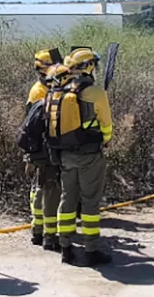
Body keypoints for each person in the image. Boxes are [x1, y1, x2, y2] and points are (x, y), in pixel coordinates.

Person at [47, 48, 114, 267]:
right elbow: (106, 124)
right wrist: (106, 139)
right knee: (90, 202)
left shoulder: (61, 87)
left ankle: (66, 248)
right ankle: (91, 250)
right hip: (89, 155)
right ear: (89, 66)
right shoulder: (94, 92)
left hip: (65, 155)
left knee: (67, 199)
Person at [25, 47, 65, 249]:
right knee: (48, 190)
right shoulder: (41, 91)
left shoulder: (43, 88)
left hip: (39, 148)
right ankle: (48, 235)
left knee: (40, 187)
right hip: (44, 149)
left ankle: (37, 230)